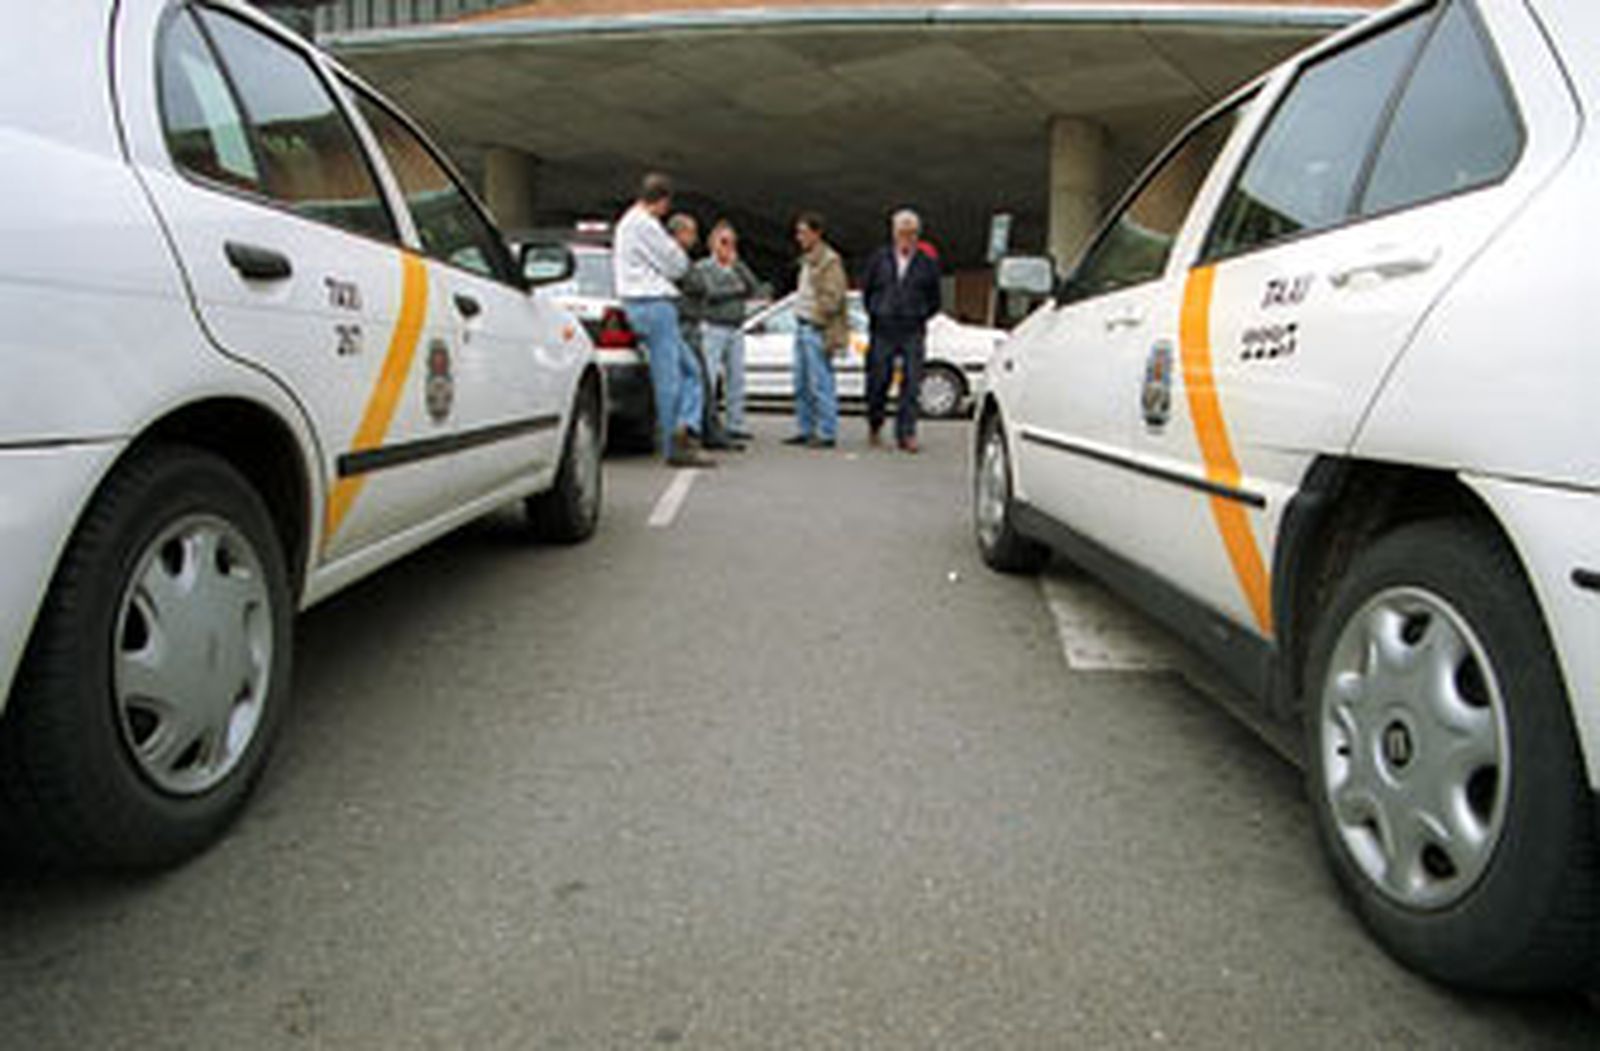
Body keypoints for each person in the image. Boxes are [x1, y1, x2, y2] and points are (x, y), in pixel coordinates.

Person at [614, 174, 713, 468]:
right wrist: (677, 255)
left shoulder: (626, 223)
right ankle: (676, 443)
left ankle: (686, 428)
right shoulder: (646, 224)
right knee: (672, 377)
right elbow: (677, 265)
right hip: (655, 304)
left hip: (634, 303)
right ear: (662, 201)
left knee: (690, 371)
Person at [860, 208, 942, 453]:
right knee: (879, 380)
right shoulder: (879, 259)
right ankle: (875, 423)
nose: (907, 238)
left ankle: (906, 433)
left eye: (912, 233)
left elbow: (935, 299)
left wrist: (919, 313)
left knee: (911, 382)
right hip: (883, 327)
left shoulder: (927, 263)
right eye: (902, 233)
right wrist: (877, 311)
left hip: (912, 328)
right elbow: (867, 290)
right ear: (894, 234)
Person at [684, 220, 761, 443]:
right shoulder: (703, 267)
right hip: (713, 325)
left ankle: (736, 423)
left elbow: (753, 287)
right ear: (713, 244)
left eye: (732, 242)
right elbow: (711, 292)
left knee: (736, 378)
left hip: (736, 327)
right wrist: (736, 289)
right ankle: (703, 422)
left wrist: (738, 268)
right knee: (708, 376)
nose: (728, 247)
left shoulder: (737, 267)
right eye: (724, 242)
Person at [672, 213, 743, 452]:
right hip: (693, 324)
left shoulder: (685, 260)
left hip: (704, 324)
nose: (694, 237)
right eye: (690, 232)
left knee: (704, 379)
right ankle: (696, 430)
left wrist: (735, 265)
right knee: (698, 378)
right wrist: (732, 287)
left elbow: (751, 286)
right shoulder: (683, 261)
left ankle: (706, 429)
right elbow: (704, 288)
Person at [787, 211, 847, 449]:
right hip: (801, 324)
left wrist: (818, 316)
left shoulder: (829, 261)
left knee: (821, 381)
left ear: (816, 233)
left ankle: (826, 431)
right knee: (801, 383)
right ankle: (805, 428)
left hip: (816, 327)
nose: (799, 237)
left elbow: (834, 297)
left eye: (803, 232)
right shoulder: (806, 260)